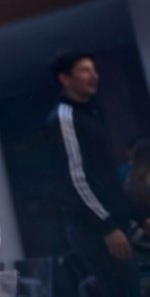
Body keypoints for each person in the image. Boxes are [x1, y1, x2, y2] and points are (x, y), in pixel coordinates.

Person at [45, 51, 139, 296]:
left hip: (113, 221)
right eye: (85, 71)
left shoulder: (90, 113)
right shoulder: (65, 118)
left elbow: (106, 176)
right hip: (94, 228)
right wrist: (106, 225)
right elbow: (75, 179)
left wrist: (137, 215)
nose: (93, 76)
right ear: (65, 79)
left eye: (94, 70)